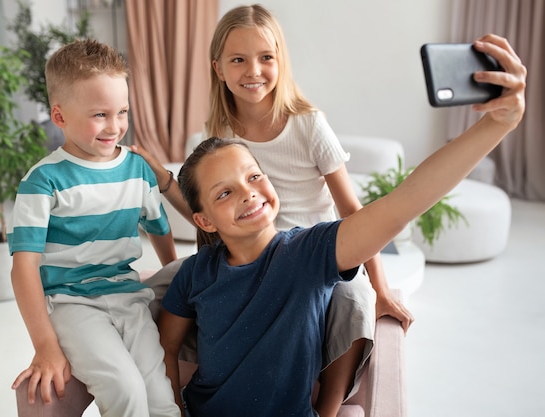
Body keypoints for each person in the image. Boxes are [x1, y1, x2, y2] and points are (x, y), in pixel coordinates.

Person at [159, 31, 526, 414]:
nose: (248, 193)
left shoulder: (306, 253)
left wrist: (496, 126)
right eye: (224, 193)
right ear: (203, 219)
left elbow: (402, 204)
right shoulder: (196, 272)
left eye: (254, 177)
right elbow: (166, 350)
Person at [132, 4, 402, 415]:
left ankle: (327, 405)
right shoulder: (219, 133)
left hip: (308, 256)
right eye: (238, 60)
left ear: (280, 61)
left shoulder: (308, 124)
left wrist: (381, 289)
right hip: (243, 248)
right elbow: (208, 216)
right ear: (218, 69)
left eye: (265, 58)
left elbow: (352, 210)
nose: (253, 70)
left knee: (354, 296)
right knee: (158, 290)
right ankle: (177, 387)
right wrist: (165, 181)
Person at [7, 39, 181, 417]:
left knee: (161, 397)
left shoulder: (137, 169)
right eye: (99, 115)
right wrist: (45, 344)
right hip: (71, 304)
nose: (115, 126)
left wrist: (175, 278)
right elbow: (23, 270)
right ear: (60, 116)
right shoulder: (42, 181)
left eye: (122, 112)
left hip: (128, 296)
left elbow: (159, 226)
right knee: (125, 390)